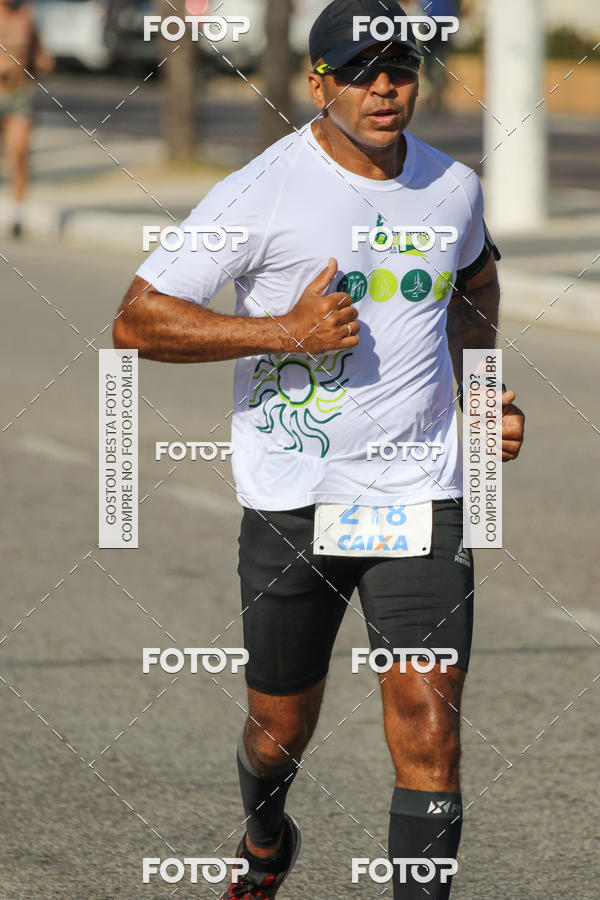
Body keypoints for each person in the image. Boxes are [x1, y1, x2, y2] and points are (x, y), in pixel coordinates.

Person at [113, 0, 525, 895]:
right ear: (318, 84)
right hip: (295, 501)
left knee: (430, 726)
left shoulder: (453, 186)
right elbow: (136, 322)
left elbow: (477, 283)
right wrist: (282, 332)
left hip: (419, 493)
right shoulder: (261, 191)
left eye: (401, 69)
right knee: (278, 733)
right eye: (362, 72)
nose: (385, 88)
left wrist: (483, 394)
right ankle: (266, 838)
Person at [0, 0, 53, 237]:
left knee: (19, 151)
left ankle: (18, 214)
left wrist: (42, 61)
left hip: (19, 94)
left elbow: (42, 54)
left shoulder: (27, 17)